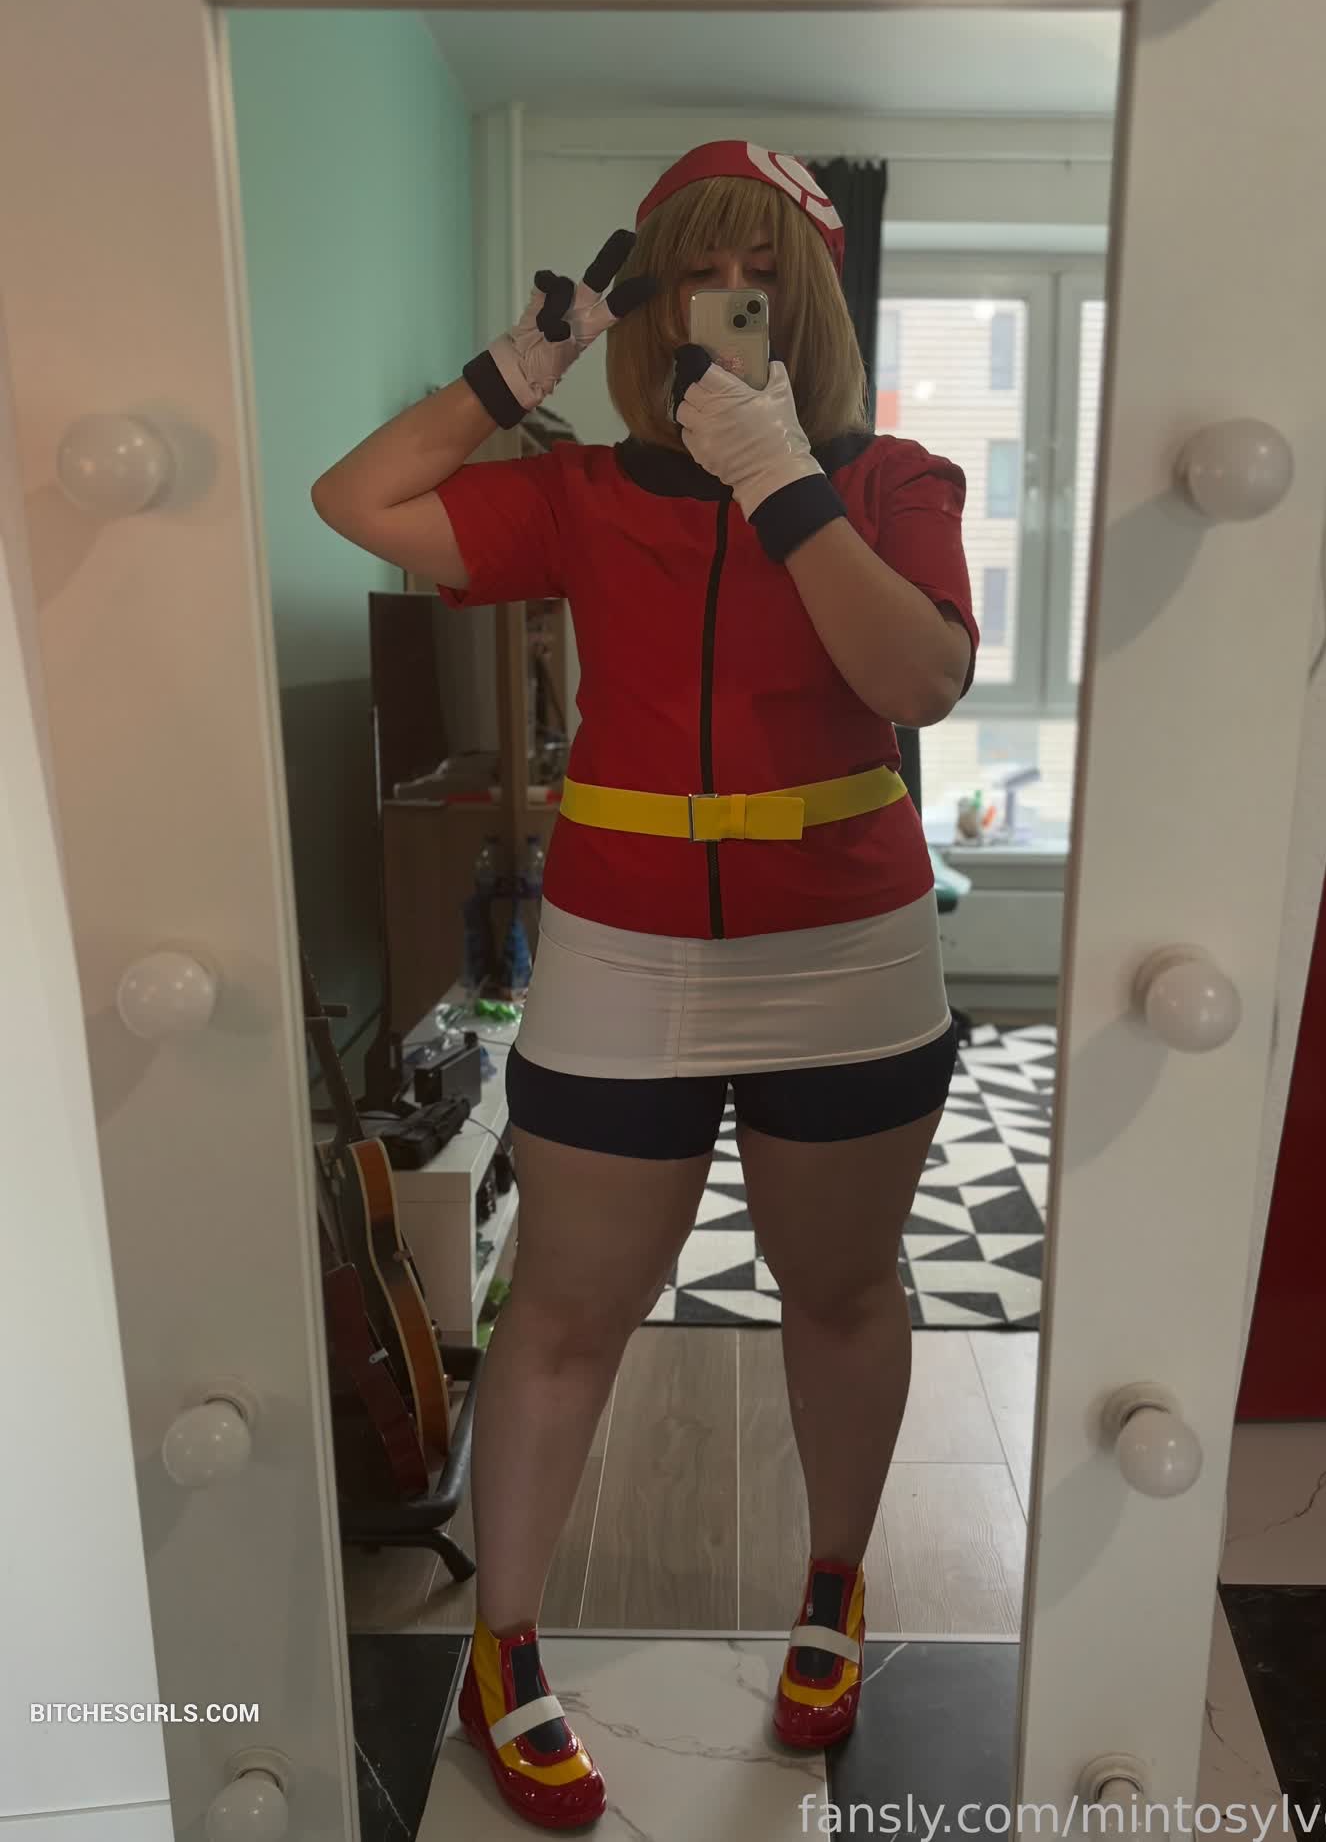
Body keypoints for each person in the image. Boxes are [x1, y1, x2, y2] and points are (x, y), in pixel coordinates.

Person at [312, 139, 979, 1832]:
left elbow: (917, 678)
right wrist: (508, 375)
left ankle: (831, 1587)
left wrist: (786, 484)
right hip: (621, 954)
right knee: (563, 1312)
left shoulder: (896, 480)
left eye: (761, 271)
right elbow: (357, 503)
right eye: (694, 268)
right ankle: (501, 1649)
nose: (727, 296)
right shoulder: (583, 492)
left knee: (842, 1293)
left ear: (807, 300)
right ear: (651, 302)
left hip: (846, 951)